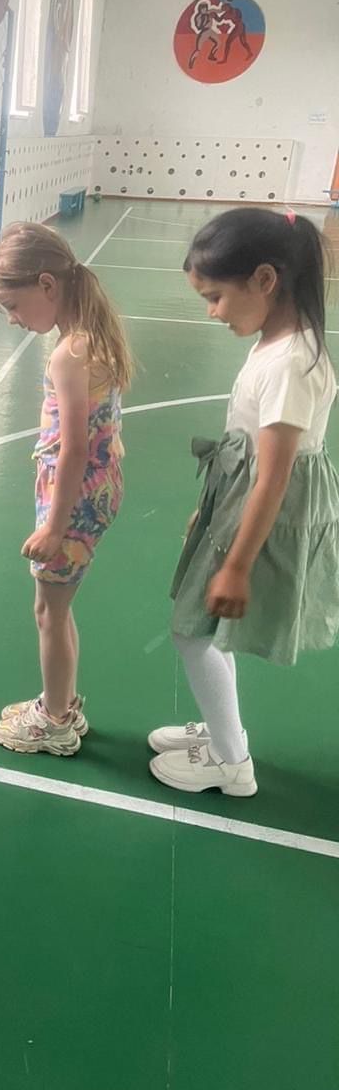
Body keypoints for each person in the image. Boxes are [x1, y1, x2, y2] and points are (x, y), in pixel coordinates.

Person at [150, 208, 339, 797]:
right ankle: (221, 730)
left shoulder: (290, 363)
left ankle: (231, 762)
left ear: (264, 279)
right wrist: (210, 510)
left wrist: (235, 565)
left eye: (216, 297)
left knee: (192, 632)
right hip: (240, 497)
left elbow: (275, 477)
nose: (212, 312)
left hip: (263, 510)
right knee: (203, 629)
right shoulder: (276, 341)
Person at [0, 222, 132, 756]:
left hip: (74, 498)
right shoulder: (92, 334)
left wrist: (53, 526)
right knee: (58, 608)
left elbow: (74, 449)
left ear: (46, 284)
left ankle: (54, 721)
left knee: (48, 611)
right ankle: (61, 701)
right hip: (94, 490)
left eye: (13, 306)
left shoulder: (70, 352)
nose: (13, 319)